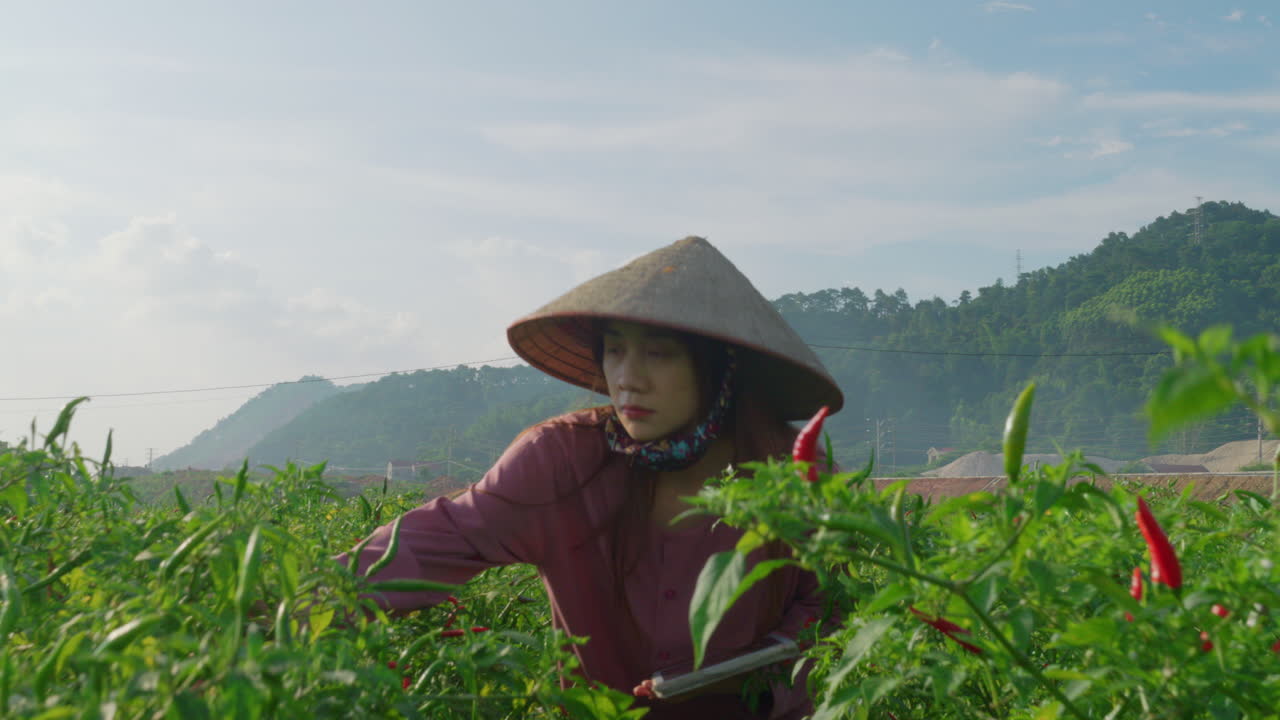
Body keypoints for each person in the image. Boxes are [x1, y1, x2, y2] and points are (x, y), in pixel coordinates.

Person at [341, 236, 844, 719]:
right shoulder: (561, 461)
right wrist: (305, 600)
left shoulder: (792, 472)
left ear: (720, 368)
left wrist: (753, 668)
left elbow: (828, 605)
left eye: (660, 352)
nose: (627, 377)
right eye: (616, 349)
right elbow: (439, 541)